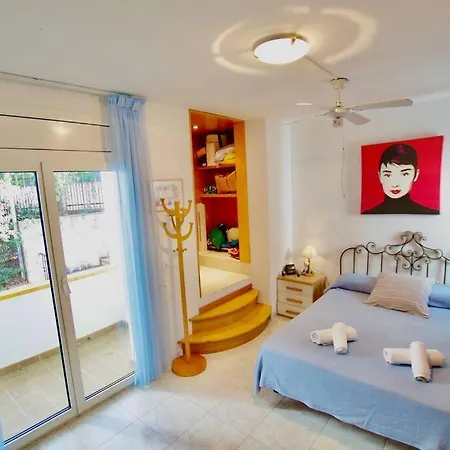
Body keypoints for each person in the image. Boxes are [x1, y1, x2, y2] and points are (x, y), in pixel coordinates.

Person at [363, 143, 439, 214]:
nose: (395, 184)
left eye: (404, 174)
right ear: (380, 176)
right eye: (387, 175)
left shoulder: (428, 212)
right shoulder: (368, 213)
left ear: (416, 175)